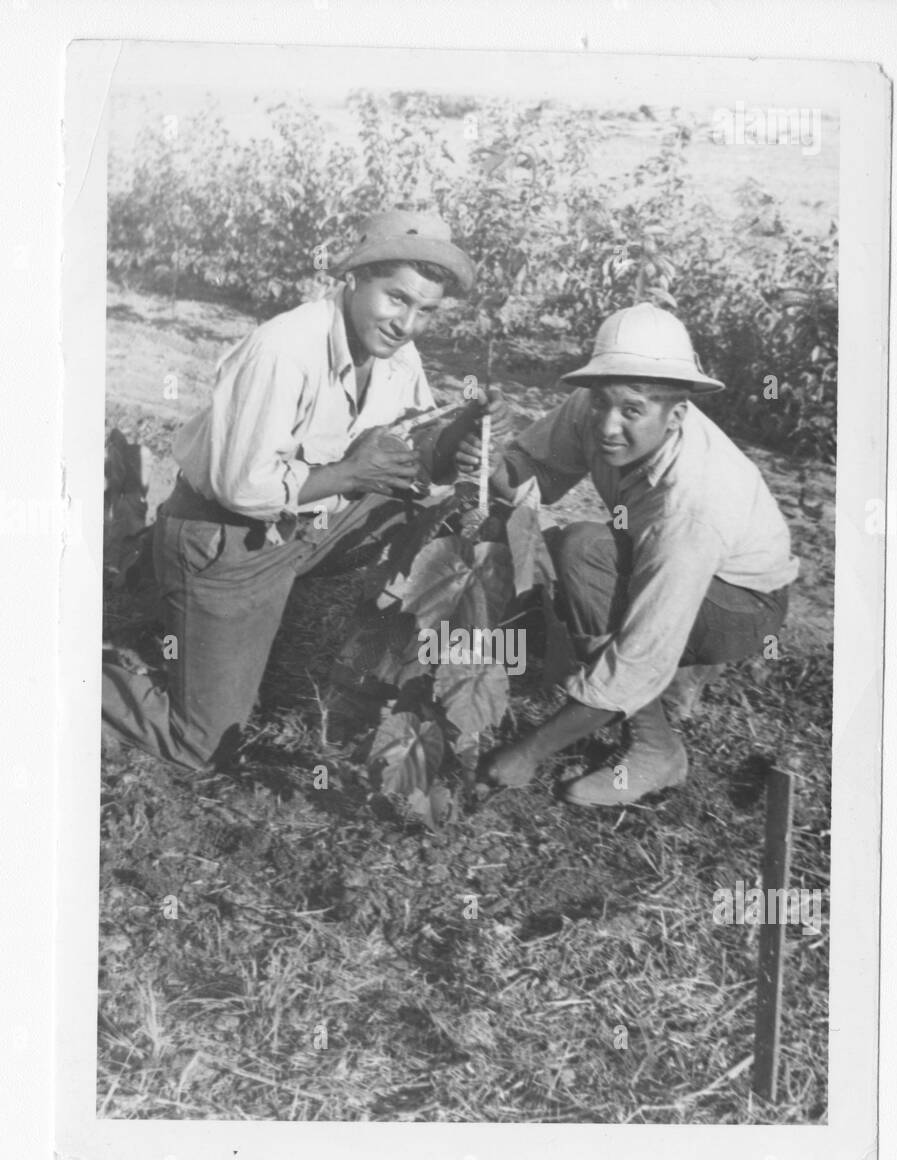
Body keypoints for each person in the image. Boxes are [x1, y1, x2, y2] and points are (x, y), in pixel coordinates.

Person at [102, 208, 509, 770]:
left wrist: (457, 438)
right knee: (202, 744)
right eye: (396, 298)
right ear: (355, 278)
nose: (407, 323)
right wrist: (352, 474)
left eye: (425, 311)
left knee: (422, 515)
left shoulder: (396, 352)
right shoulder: (284, 349)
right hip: (226, 540)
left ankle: (368, 672)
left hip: (301, 526)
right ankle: (71, 665)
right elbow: (243, 487)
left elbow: (410, 456)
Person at [480, 303, 799, 806]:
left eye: (632, 411)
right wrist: (483, 452)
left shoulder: (691, 502)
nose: (608, 426)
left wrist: (528, 752)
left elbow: (640, 654)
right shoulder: (598, 407)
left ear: (675, 415)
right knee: (584, 547)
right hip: (669, 556)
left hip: (744, 602)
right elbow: (533, 474)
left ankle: (656, 751)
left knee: (586, 557)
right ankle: (672, 682)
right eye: (602, 404)